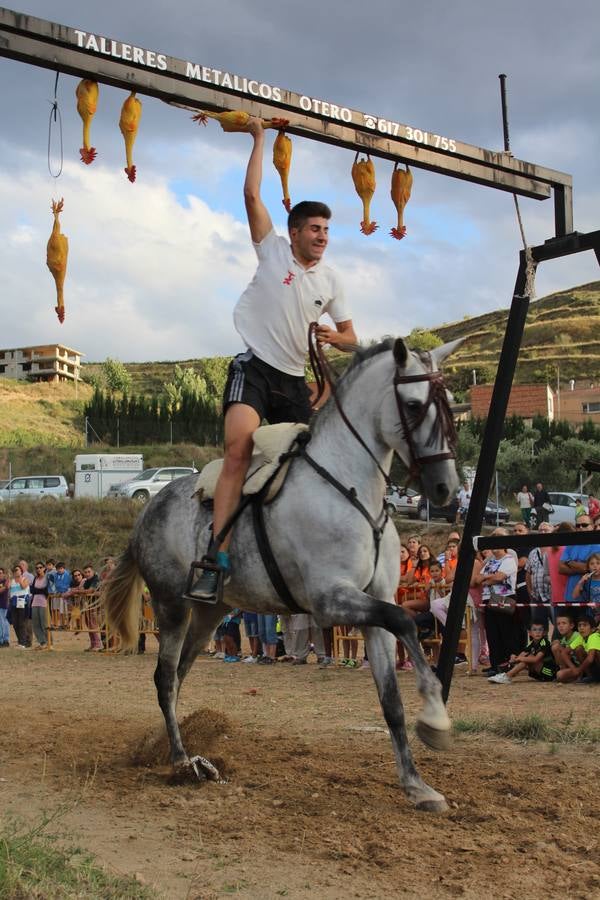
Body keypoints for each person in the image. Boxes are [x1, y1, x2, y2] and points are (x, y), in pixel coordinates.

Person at [189, 117, 357, 598]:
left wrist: (333, 337)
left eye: (327, 229)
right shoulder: (273, 252)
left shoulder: (332, 281)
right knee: (238, 451)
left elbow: (352, 337)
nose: (323, 236)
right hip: (255, 368)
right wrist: (260, 138)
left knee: (313, 467)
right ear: (295, 231)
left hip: (294, 381)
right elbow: (251, 196)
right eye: (315, 228)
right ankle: (215, 556)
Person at [475, 530, 520, 677]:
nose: (494, 548)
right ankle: (495, 663)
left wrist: (486, 579)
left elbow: (500, 577)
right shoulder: (490, 561)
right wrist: (489, 578)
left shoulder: (509, 559)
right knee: (492, 633)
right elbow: (477, 579)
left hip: (504, 597)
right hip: (489, 599)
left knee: (505, 630)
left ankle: (506, 663)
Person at [488, 622, 556, 684]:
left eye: (540, 630)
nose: (537, 632)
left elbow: (535, 660)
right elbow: (523, 654)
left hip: (550, 673)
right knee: (525, 657)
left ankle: (507, 676)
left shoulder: (545, 642)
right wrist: (514, 659)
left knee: (528, 659)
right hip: (540, 672)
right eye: (534, 630)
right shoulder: (531, 643)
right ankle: (507, 674)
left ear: (544, 633)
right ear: (529, 632)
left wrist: (520, 658)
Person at [558, 514, 600, 603]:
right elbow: (561, 568)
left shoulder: (597, 545)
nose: (581, 527)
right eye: (577, 525)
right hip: (570, 596)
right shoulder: (571, 544)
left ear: (592, 526)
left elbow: (590, 568)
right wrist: (584, 568)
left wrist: (569, 562)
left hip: (591, 596)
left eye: (584, 525)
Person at [556, 616, 600, 684]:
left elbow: (590, 659)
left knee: (597, 652)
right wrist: (574, 669)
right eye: (579, 625)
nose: (581, 628)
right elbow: (564, 653)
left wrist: (579, 670)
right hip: (592, 668)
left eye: (585, 625)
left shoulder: (594, 636)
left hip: (595, 665)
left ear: (593, 629)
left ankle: (592, 677)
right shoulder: (580, 637)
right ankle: (590, 677)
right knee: (560, 675)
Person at [551, 610, 585, 680]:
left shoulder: (577, 636)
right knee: (560, 675)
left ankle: (581, 675)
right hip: (573, 666)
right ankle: (564, 670)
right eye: (558, 624)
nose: (561, 626)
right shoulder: (563, 639)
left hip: (583, 666)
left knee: (557, 647)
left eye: (564, 623)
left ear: (571, 626)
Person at [9, 564, 31, 649]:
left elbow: (23, 586)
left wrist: (20, 578)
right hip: (13, 602)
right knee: (15, 623)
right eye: (14, 570)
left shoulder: (25, 579)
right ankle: (20, 641)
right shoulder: (12, 581)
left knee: (21, 623)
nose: (15, 571)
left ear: (21, 571)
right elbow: (9, 589)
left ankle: (24, 642)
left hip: (22, 602)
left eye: (17, 570)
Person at [30, 562, 49, 650]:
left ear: (44, 568)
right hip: (34, 603)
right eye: (37, 568)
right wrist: (40, 590)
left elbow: (46, 590)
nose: (38, 569)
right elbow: (32, 590)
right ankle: (42, 642)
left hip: (44, 603)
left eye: (40, 567)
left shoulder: (47, 578)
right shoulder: (35, 578)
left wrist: (38, 590)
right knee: (35, 624)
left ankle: (49, 642)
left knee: (44, 623)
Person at [0, 567, 10, 648]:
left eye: (0, 573)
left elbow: (6, 587)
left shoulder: (6, 581)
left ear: (3, 573)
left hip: (3, 605)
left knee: (4, 622)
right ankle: (1, 640)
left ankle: (6, 640)